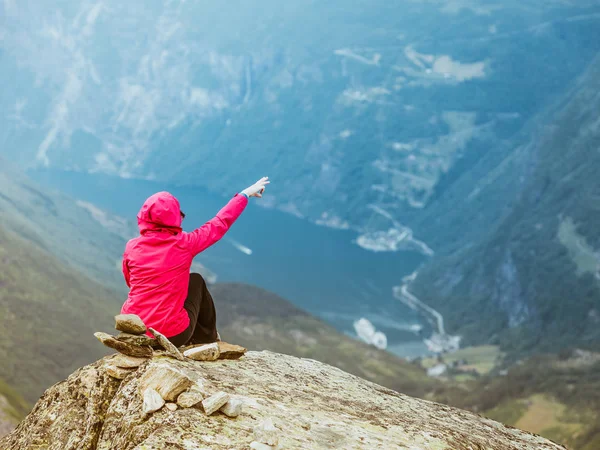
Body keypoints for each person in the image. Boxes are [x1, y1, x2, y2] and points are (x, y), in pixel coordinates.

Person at [120, 177, 270, 347]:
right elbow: (220, 222)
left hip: (135, 330)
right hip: (172, 335)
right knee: (196, 280)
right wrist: (244, 194)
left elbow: (130, 282)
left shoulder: (132, 247)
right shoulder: (185, 244)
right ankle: (207, 338)